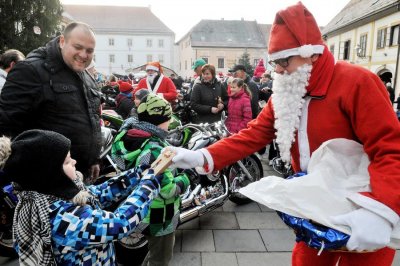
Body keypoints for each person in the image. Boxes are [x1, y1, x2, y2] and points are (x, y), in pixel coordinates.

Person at [166, 2, 400, 266]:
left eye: (283, 61)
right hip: (313, 207)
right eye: (274, 62)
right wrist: (202, 156)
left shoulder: (357, 82)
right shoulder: (287, 90)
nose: (277, 70)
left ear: (311, 54)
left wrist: (381, 211)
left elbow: (391, 149)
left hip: (361, 211)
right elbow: (253, 135)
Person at [0, 129, 162, 265]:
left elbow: (96, 194)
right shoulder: (63, 220)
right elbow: (120, 224)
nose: (74, 162)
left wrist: (136, 174)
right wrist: (147, 186)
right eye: (67, 162)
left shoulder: (50, 193)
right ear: (49, 174)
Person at [0, 22, 102, 183]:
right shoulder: (31, 70)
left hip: (78, 174)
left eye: (89, 51)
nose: (84, 55)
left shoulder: (84, 74)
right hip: (46, 180)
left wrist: (93, 159)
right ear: (62, 41)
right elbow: (6, 124)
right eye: (78, 47)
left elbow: (92, 117)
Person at [111, 94, 190, 266]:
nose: (170, 122)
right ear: (159, 120)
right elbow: (167, 190)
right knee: (160, 258)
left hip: (136, 207)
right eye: (168, 118)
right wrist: (185, 179)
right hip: (158, 216)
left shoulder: (126, 134)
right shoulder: (155, 149)